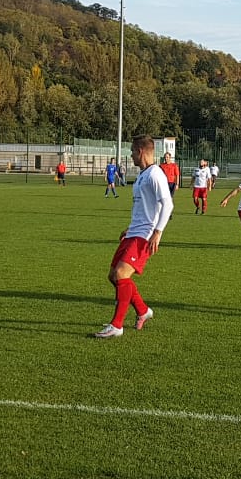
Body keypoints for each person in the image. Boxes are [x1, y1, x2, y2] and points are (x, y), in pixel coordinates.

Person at [94, 135, 174, 339]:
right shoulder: (143, 175)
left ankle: (116, 325)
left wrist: (158, 232)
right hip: (134, 233)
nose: (130, 155)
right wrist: (128, 229)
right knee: (113, 276)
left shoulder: (156, 174)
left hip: (144, 236)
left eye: (131, 151)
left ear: (140, 151)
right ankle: (142, 310)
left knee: (121, 275)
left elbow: (168, 204)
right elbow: (143, 207)